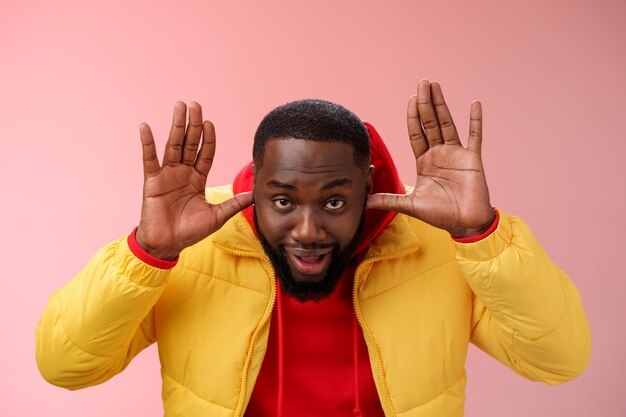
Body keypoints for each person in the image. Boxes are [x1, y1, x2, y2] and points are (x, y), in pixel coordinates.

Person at [36, 80, 591, 417]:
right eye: (282, 202)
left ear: (367, 187)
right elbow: (64, 365)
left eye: (332, 202)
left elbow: (560, 360)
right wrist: (147, 253)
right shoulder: (189, 244)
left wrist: (483, 237)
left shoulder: (445, 250)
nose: (306, 229)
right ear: (255, 189)